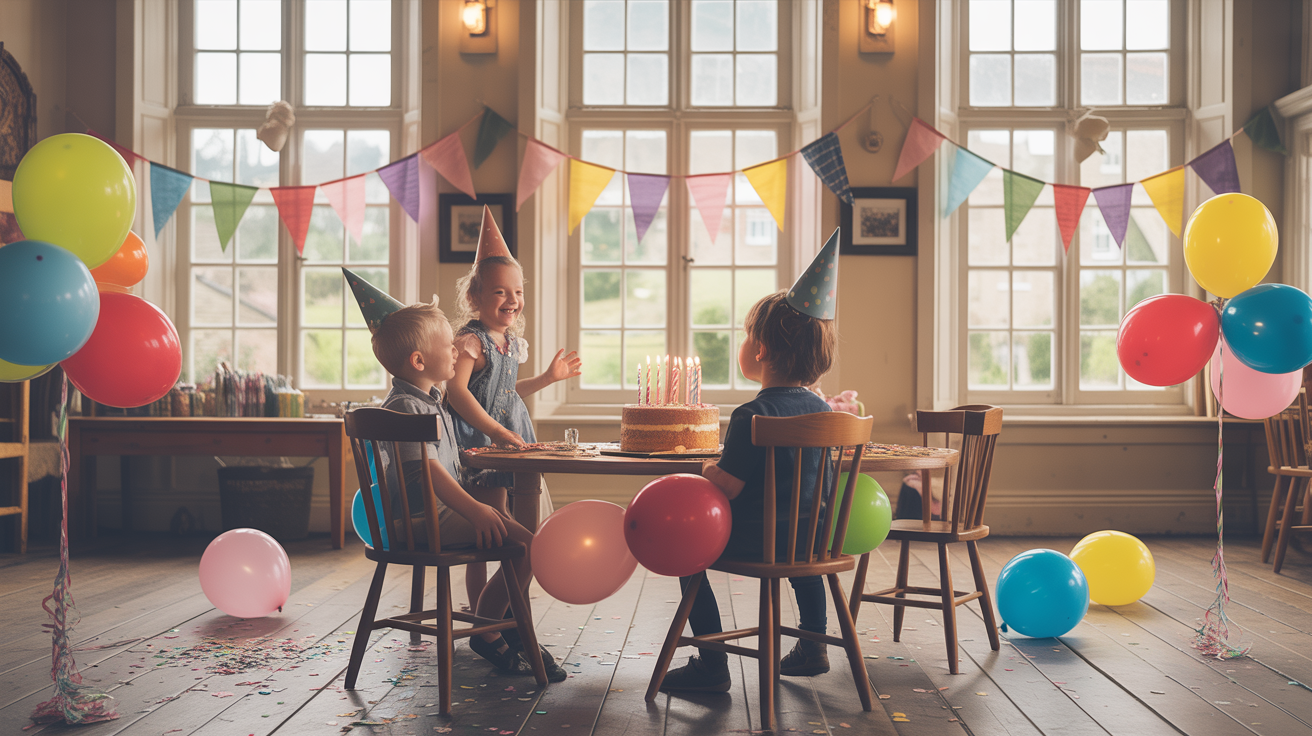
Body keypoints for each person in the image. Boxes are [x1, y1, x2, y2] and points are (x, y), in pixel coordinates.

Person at [342, 269, 566, 682]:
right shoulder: (408, 410)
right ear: (419, 361)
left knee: (518, 535)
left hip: (430, 516)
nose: (456, 349)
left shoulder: (431, 402)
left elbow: (447, 464)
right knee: (530, 547)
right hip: (421, 522)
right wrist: (478, 511)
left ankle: (494, 626)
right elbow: (430, 475)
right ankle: (489, 626)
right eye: (449, 345)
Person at [660, 229, 843, 693]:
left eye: (747, 337)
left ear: (759, 350)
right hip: (812, 540)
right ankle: (813, 643)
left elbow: (729, 487)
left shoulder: (752, 415)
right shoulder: (825, 413)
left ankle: (712, 662)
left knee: (687, 552)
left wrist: (705, 470)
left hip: (754, 539)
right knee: (801, 545)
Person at [446, 206, 581, 613]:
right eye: (501, 291)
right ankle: (483, 610)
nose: (512, 300)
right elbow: (458, 393)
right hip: (479, 443)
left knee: (504, 517)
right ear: (474, 297)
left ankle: (498, 607)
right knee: (489, 526)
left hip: (507, 440)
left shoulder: (509, 344)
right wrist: (497, 432)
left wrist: (546, 379)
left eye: (518, 292)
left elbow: (504, 392)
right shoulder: (471, 340)